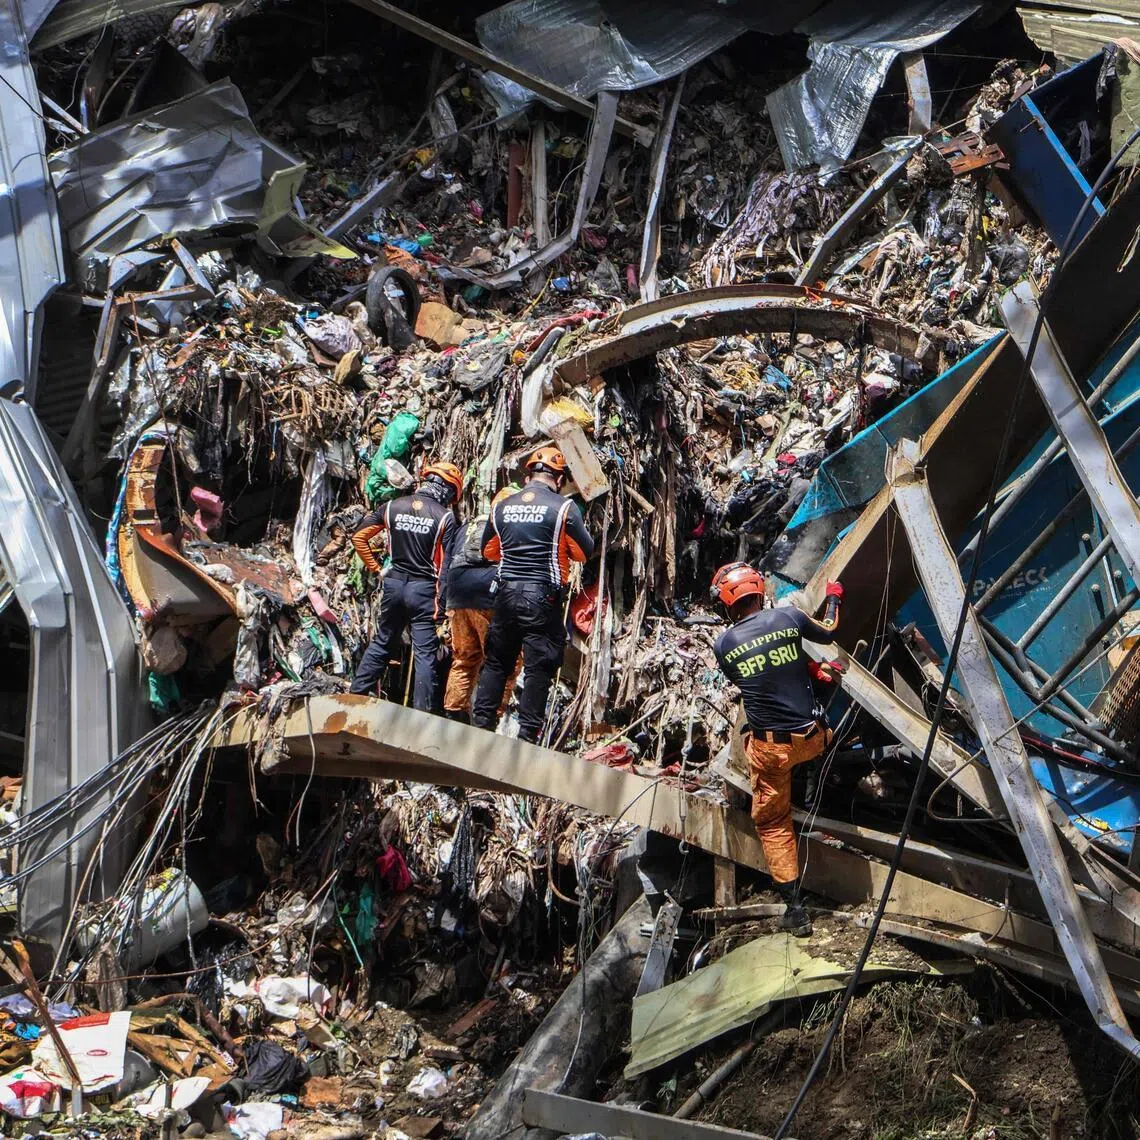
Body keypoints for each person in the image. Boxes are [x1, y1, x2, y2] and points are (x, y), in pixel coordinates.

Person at [711, 563, 843, 936]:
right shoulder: (787, 616)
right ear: (760, 591)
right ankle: (818, 779)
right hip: (816, 739)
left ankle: (796, 911)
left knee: (771, 822)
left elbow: (757, 678)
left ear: (726, 603)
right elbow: (830, 630)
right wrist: (833, 596)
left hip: (773, 752)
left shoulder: (723, 645)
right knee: (822, 679)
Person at [471, 446, 594, 744]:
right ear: (560, 478)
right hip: (541, 596)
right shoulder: (563, 508)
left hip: (506, 593)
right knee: (540, 665)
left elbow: (488, 551)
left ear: (528, 477)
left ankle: (481, 725)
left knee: (498, 661)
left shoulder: (502, 506)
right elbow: (585, 550)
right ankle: (527, 736)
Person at [349, 462, 462, 711]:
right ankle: (422, 715)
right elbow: (446, 567)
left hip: (393, 584)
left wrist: (378, 569)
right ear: (447, 489)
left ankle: (355, 696)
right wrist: (441, 605)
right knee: (424, 652)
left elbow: (358, 537)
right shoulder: (445, 517)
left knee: (383, 641)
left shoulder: (392, 506)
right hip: (422, 591)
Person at [442, 498, 521, 722]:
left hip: (457, 595)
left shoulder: (467, 526)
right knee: (503, 661)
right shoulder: (511, 522)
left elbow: (447, 562)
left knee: (464, 657)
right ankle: (488, 717)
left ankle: (454, 711)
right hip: (489, 595)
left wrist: (442, 606)